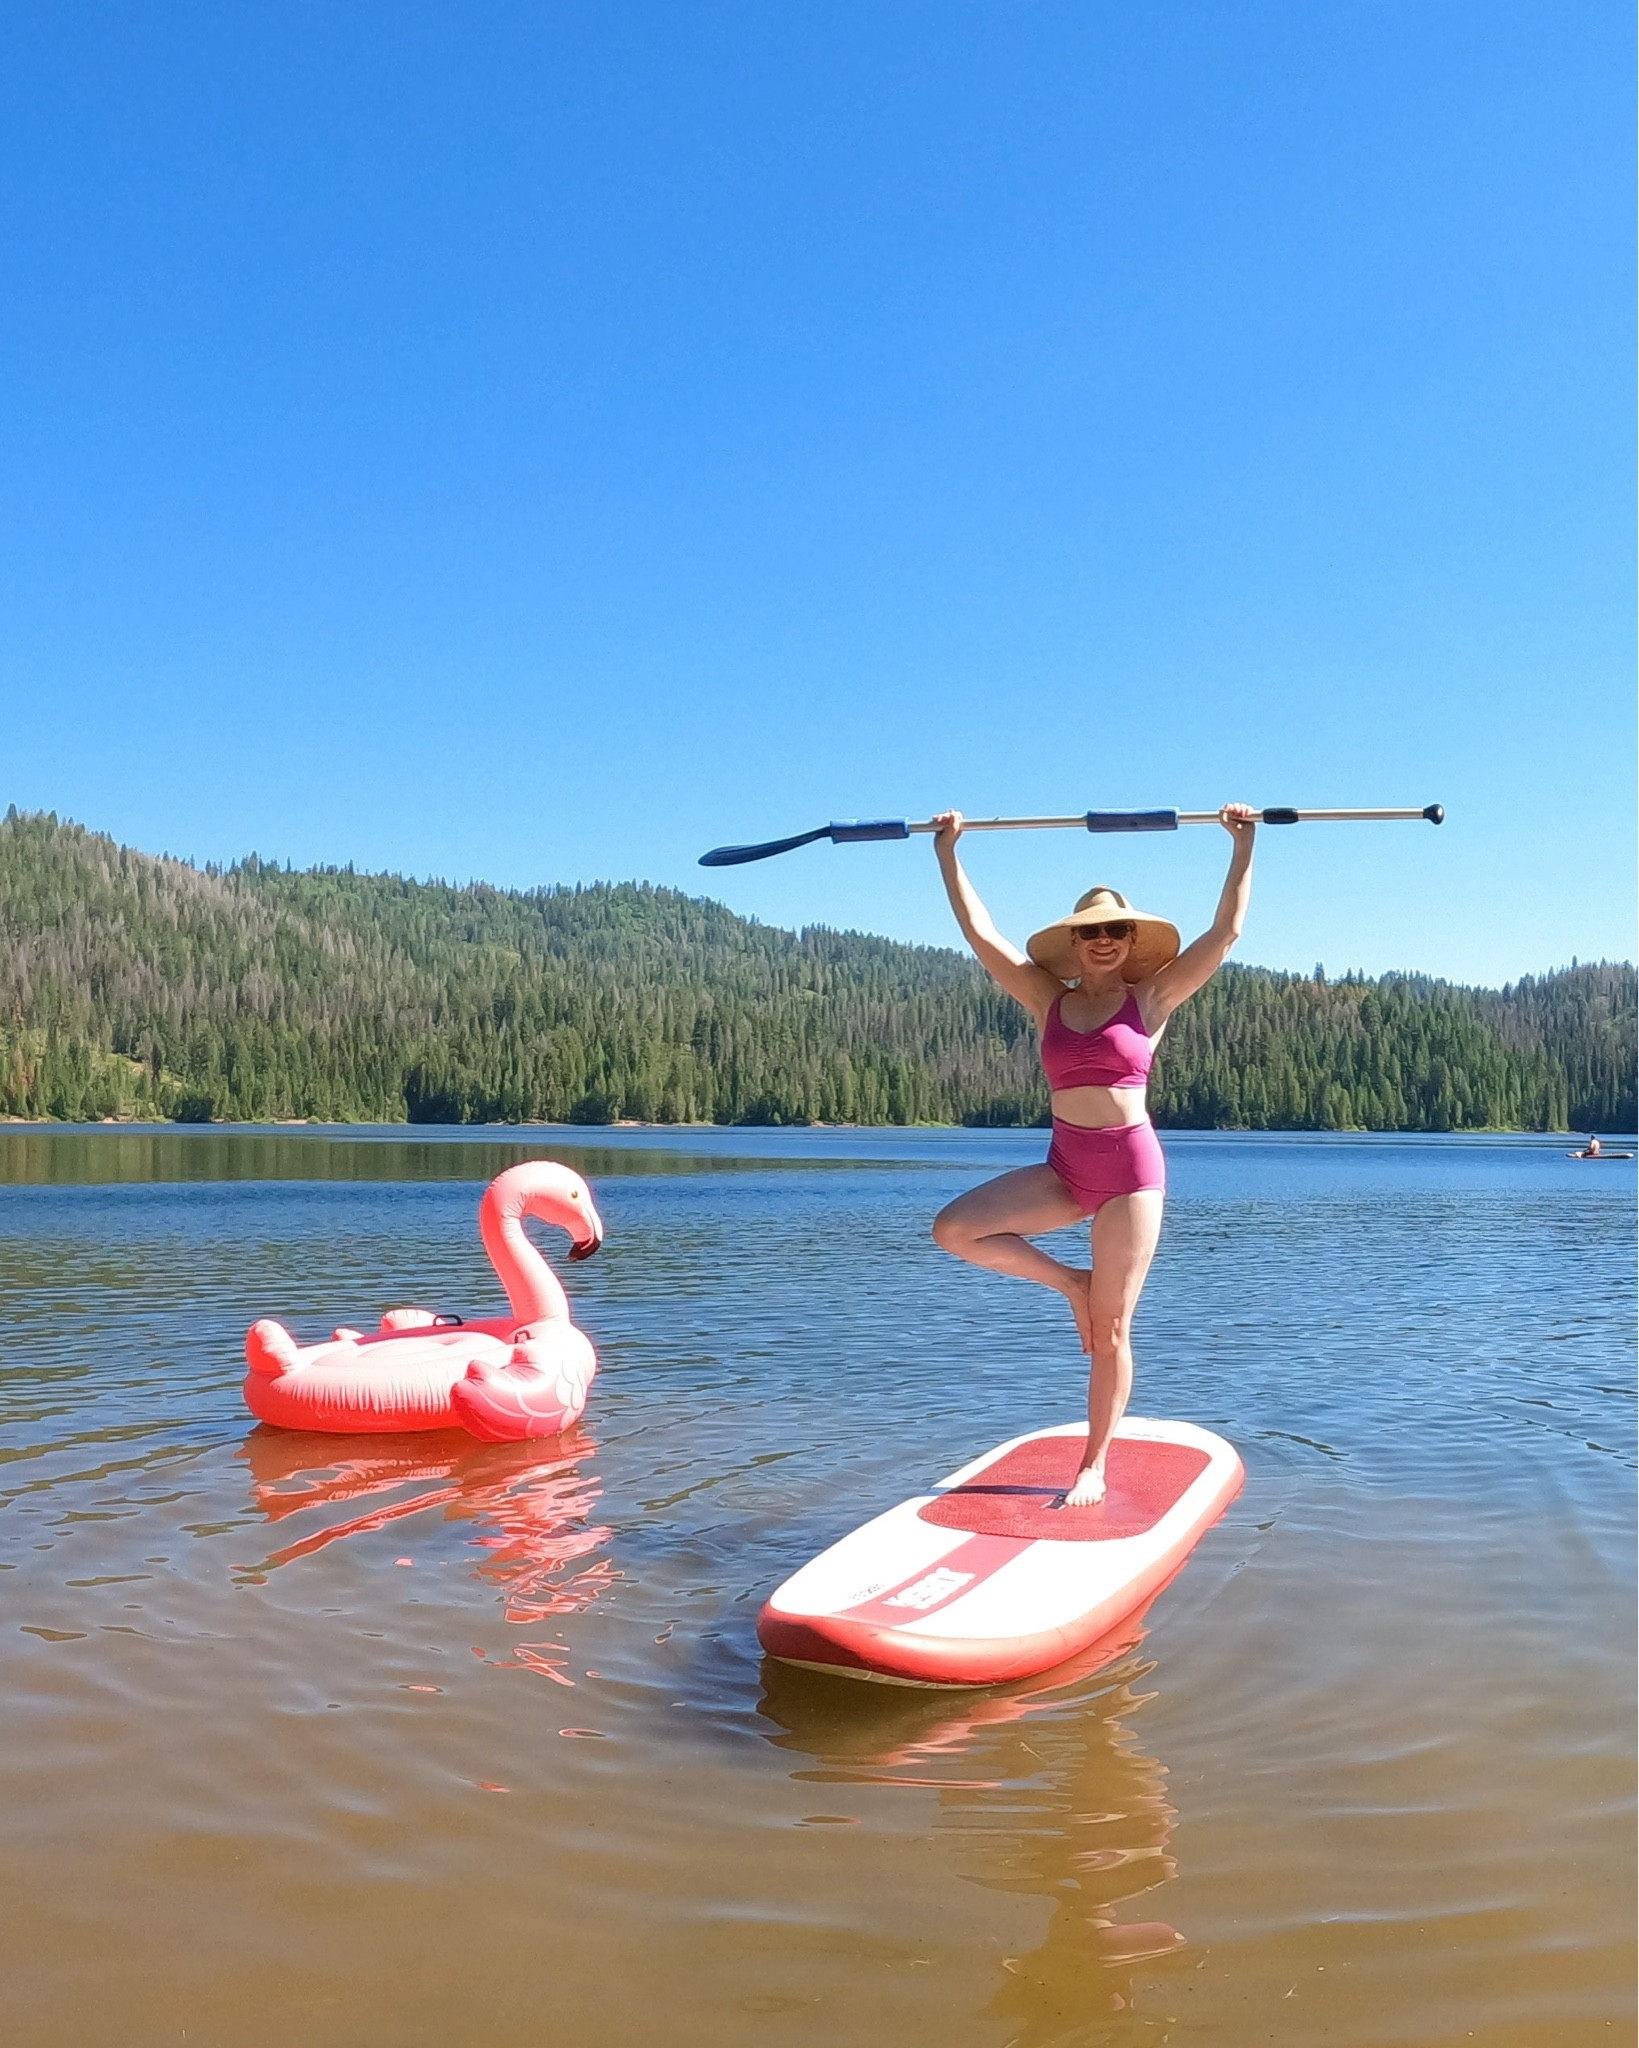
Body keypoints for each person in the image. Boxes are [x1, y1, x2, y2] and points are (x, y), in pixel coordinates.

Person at [930, 804, 1257, 1507]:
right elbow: (979, 935)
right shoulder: (1044, 997)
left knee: (1112, 1331)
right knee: (953, 1230)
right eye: (1091, 933)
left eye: (1115, 930)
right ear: (1073, 945)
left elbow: (1224, 934)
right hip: (1064, 1167)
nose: (1104, 940)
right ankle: (1069, 1284)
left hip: (1129, 1177)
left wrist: (1242, 845)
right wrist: (947, 851)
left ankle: (1092, 1465)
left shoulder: (1153, 997)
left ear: (1130, 941)